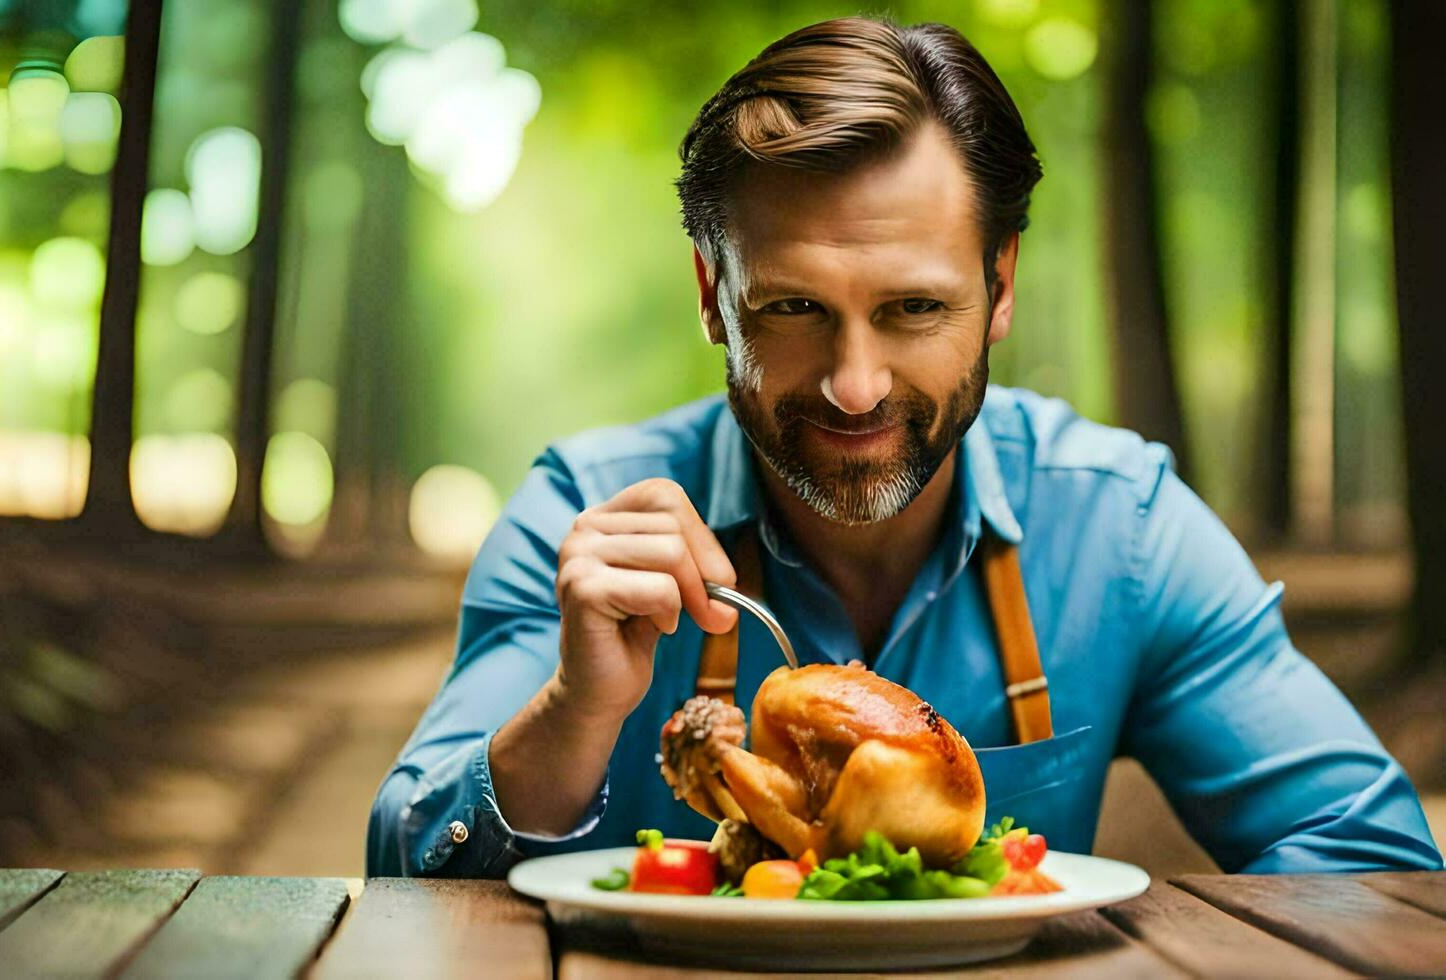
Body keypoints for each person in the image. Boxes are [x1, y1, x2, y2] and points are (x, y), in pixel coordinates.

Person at [367, 16, 1441, 878]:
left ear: (1002, 287)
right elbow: (405, 863)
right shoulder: (585, 516)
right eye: (791, 306)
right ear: (713, 296)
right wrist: (572, 709)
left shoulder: (1122, 528)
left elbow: (1375, 859)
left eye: (916, 307)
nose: (856, 383)